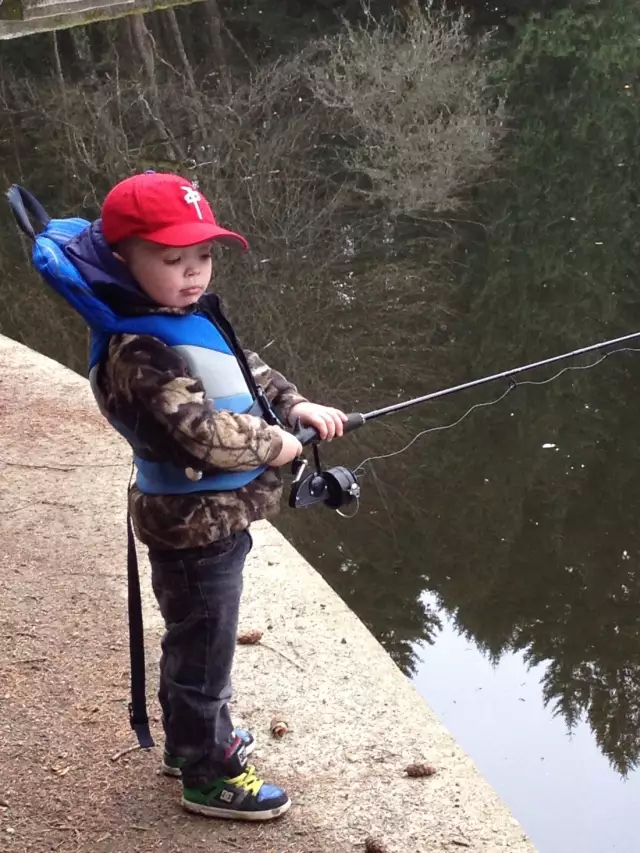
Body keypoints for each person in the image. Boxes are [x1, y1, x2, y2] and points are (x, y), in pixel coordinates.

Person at [69, 171, 346, 821]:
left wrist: (296, 403)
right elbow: (198, 433)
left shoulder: (181, 317)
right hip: (191, 527)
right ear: (122, 259)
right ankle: (206, 772)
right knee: (202, 648)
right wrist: (273, 443)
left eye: (203, 256)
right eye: (172, 260)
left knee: (202, 640)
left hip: (218, 521)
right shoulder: (136, 349)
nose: (194, 272)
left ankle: (195, 740)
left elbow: (247, 371)